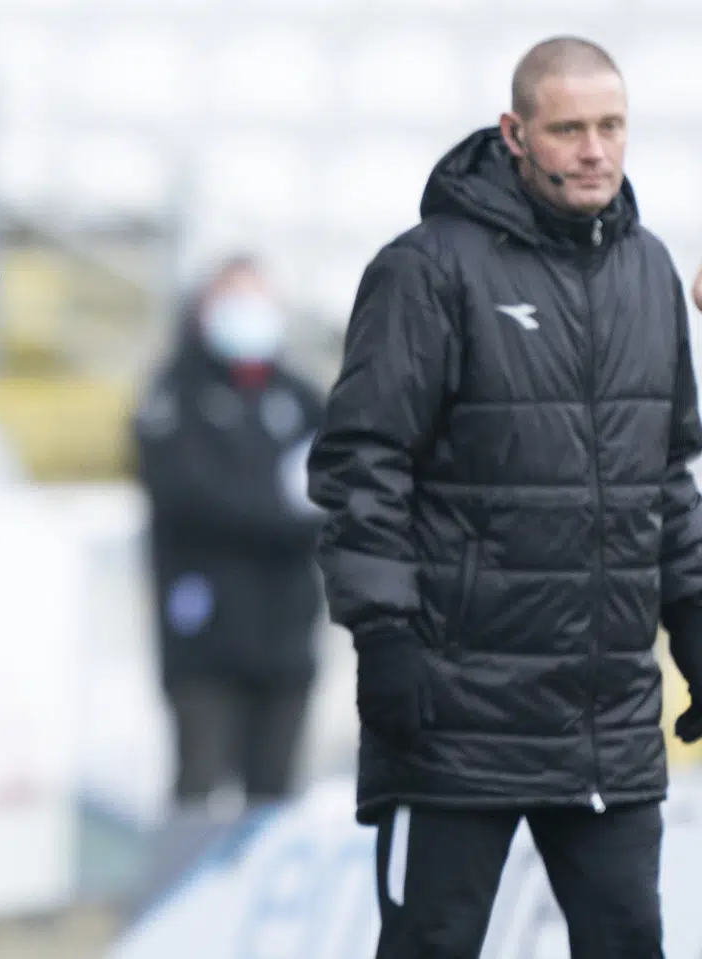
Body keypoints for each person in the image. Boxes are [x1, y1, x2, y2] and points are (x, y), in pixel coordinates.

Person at [307, 36, 702, 958]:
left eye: (610, 127)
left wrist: (695, 624)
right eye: (568, 129)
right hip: (453, 719)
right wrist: (386, 639)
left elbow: (668, 475)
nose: (595, 149)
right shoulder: (426, 269)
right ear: (515, 133)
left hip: (607, 721)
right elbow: (363, 464)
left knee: (630, 940)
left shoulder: (651, 271)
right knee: (431, 945)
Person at [132, 256, 325, 812]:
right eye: (234, 299)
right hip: (205, 637)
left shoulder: (300, 397)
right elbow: (192, 498)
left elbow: (341, 483)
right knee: (197, 791)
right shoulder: (173, 394)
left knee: (275, 799)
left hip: (286, 634)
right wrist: (286, 513)